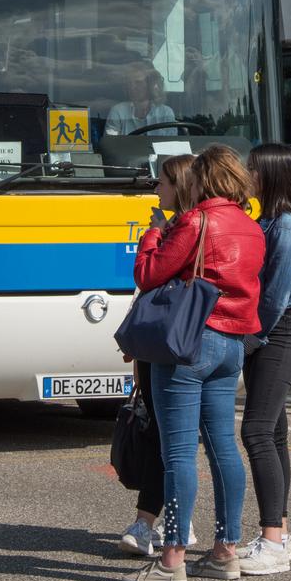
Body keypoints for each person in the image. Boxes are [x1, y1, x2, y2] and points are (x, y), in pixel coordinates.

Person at [126, 146, 264, 581]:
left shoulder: (195, 220)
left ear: (206, 179)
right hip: (232, 344)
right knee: (224, 446)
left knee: (179, 454)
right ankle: (226, 551)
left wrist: (153, 234)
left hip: (191, 342)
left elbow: (149, 274)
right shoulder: (251, 226)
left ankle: (172, 561)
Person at [234, 144, 291, 577]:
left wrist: (246, 343)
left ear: (272, 174)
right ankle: (276, 532)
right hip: (269, 332)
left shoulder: (286, 228)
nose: (247, 174)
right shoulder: (263, 220)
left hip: (280, 332)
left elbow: (274, 299)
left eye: (252, 169)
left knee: (257, 432)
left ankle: (274, 543)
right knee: (275, 434)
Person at [118, 153, 199, 559]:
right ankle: (169, 519)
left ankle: (152, 523)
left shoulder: (182, 228)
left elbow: (147, 277)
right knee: (166, 435)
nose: (156, 188)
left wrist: (151, 234)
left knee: (165, 437)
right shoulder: (184, 226)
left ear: (180, 186)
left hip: (174, 343)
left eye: (162, 182)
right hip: (160, 341)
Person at [108, 68, 177, 137]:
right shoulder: (118, 111)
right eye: (129, 83)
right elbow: (110, 143)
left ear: (150, 86)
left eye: (138, 82)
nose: (132, 87)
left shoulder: (165, 113)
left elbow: (172, 144)